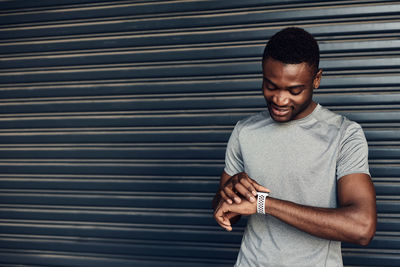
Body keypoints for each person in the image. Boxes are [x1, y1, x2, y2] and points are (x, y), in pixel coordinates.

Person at [212, 27, 376, 267]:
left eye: (294, 90)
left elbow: (362, 227)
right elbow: (226, 210)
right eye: (270, 86)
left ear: (317, 79)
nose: (279, 99)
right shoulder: (244, 131)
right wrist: (231, 192)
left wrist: (263, 204)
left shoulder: (344, 134)